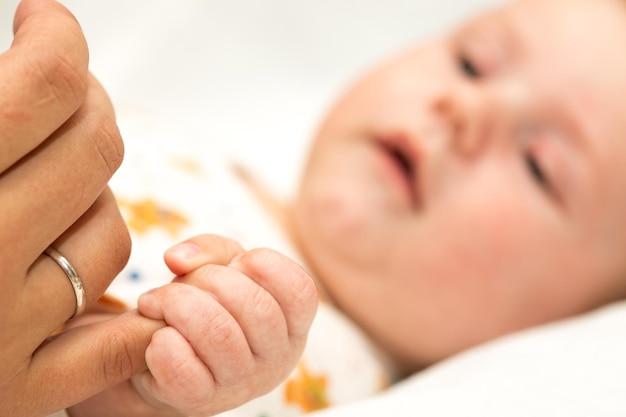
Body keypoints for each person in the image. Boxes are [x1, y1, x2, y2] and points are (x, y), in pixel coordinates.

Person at [101, 0, 626, 414]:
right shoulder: (205, 151)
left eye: (539, 165)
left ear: (576, 324)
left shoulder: (313, 371)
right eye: (473, 63)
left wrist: (146, 394)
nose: (466, 107)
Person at [0, 1, 318, 417]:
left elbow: (86, 375)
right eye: (437, 56)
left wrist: (146, 389)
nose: (436, 106)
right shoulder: (207, 142)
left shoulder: (326, 351)